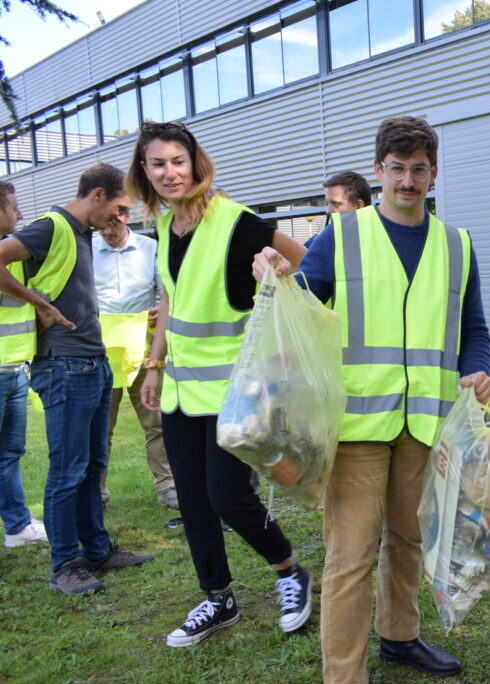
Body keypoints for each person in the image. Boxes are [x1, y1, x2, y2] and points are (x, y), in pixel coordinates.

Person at [255, 116, 490, 683]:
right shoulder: (342, 235)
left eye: (419, 170)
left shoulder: (457, 245)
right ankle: (345, 674)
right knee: (352, 556)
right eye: (397, 169)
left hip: (426, 423)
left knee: (411, 541)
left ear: (434, 173)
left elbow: (475, 329)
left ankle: (400, 636)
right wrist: (277, 275)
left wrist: (477, 369)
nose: (408, 181)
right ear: (379, 169)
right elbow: (302, 301)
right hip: (359, 426)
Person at [129, 121, 310, 648]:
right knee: (192, 500)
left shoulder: (237, 222)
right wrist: (155, 363)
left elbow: (308, 264)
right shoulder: (165, 226)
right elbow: (172, 297)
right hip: (182, 390)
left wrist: (276, 272)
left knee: (227, 496)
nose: (170, 172)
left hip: (235, 391)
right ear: (144, 171)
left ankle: (290, 570)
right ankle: (218, 597)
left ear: (195, 164)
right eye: (158, 163)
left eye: (178, 161)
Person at [0, 164, 154, 595]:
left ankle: (98, 550)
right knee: (68, 470)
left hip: (93, 363)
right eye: (119, 208)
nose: (120, 218)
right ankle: (65, 564)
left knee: (92, 467)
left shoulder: (82, 232)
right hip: (64, 366)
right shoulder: (52, 227)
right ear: (98, 194)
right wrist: (38, 303)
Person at [93, 210, 176, 509]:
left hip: (143, 347)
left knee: (157, 421)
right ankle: (97, 492)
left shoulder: (150, 248)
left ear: (126, 215)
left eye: (113, 223)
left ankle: (167, 486)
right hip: (102, 352)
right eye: (102, 226)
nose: (107, 231)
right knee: (101, 426)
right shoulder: (87, 250)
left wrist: (158, 310)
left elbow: (163, 293)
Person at [0, 181, 48, 549]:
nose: (20, 214)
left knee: (9, 454)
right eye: (14, 207)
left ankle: (17, 526)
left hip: (14, 369)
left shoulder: (14, 252)